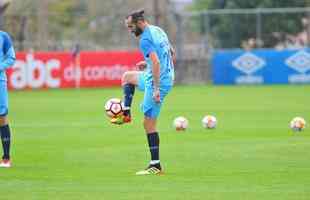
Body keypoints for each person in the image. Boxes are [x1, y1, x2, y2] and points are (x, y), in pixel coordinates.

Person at [111, 10, 175, 175]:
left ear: (139, 23)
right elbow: (170, 52)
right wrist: (147, 64)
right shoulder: (158, 30)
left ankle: (156, 165)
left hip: (159, 82)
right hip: (158, 75)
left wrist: (155, 88)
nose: (129, 30)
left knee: (148, 123)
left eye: (131, 26)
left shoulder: (145, 39)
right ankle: (126, 112)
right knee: (127, 77)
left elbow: (156, 61)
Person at [0, 31, 16, 168]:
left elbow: (11, 58)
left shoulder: (3, 37)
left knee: (2, 118)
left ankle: (6, 158)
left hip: (0, 82)